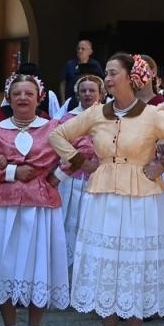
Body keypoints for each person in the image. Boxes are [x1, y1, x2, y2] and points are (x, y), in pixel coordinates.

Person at [48, 53, 164, 326]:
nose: (107, 78)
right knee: (108, 269)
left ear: (131, 77)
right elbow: (57, 135)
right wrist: (81, 162)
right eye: (106, 73)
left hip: (141, 201)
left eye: (113, 72)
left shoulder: (153, 115)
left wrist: (163, 165)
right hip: (104, 198)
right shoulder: (96, 113)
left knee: (135, 270)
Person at [0, 74, 69, 326]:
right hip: (4, 207)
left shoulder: (53, 128)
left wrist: (58, 177)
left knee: (38, 265)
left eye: (29, 93)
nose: (23, 98)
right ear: (9, 98)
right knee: (4, 265)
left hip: (40, 206)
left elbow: (81, 151)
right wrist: (12, 171)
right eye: (17, 94)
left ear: (39, 98)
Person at [54, 73, 103, 265]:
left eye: (92, 90)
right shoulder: (68, 118)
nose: (87, 94)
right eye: (83, 91)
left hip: (98, 178)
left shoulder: (109, 117)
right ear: (77, 94)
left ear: (101, 94)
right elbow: (58, 147)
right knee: (70, 218)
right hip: (72, 177)